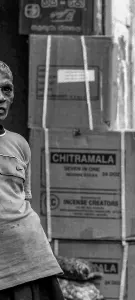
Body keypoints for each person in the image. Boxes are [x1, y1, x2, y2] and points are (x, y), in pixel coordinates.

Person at [0, 62, 64, 299]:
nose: (1, 98)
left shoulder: (19, 144)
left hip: (30, 259)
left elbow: (22, 200)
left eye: (6, 90)